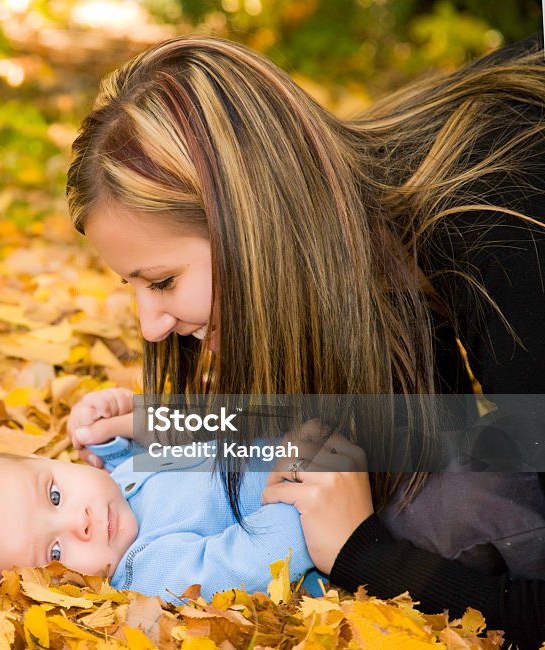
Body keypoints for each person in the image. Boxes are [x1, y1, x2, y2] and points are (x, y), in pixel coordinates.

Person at [65, 32, 545, 649]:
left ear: (255, 225)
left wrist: (363, 556)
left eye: (163, 281)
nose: (150, 327)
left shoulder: (512, 248)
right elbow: (363, 429)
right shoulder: (375, 214)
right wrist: (162, 427)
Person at [0, 420, 318, 601]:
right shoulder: (151, 571)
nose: (79, 522)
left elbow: (161, 464)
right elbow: (257, 560)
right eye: (55, 553)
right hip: (328, 489)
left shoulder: (121, 482)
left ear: (49, 461)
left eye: (55, 496)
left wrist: (115, 439)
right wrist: (305, 488)